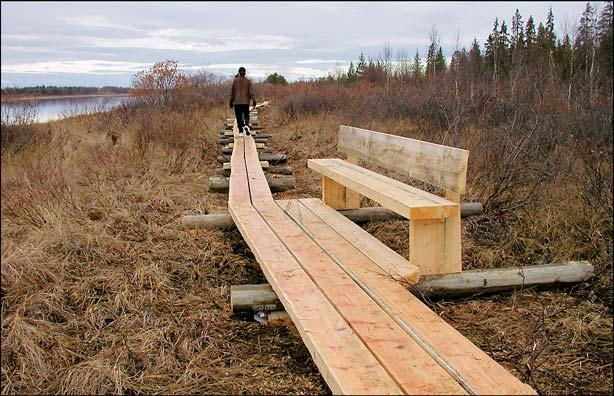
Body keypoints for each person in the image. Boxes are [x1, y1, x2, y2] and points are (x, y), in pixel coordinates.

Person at [229, 67, 256, 136]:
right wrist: (254, 101)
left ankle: (241, 131)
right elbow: (251, 93)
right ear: (245, 73)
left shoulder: (235, 81)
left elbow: (232, 93)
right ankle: (246, 125)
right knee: (246, 115)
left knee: (238, 117)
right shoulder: (248, 81)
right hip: (246, 103)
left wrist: (231, 102)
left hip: (237, 103)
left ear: (239, 72)